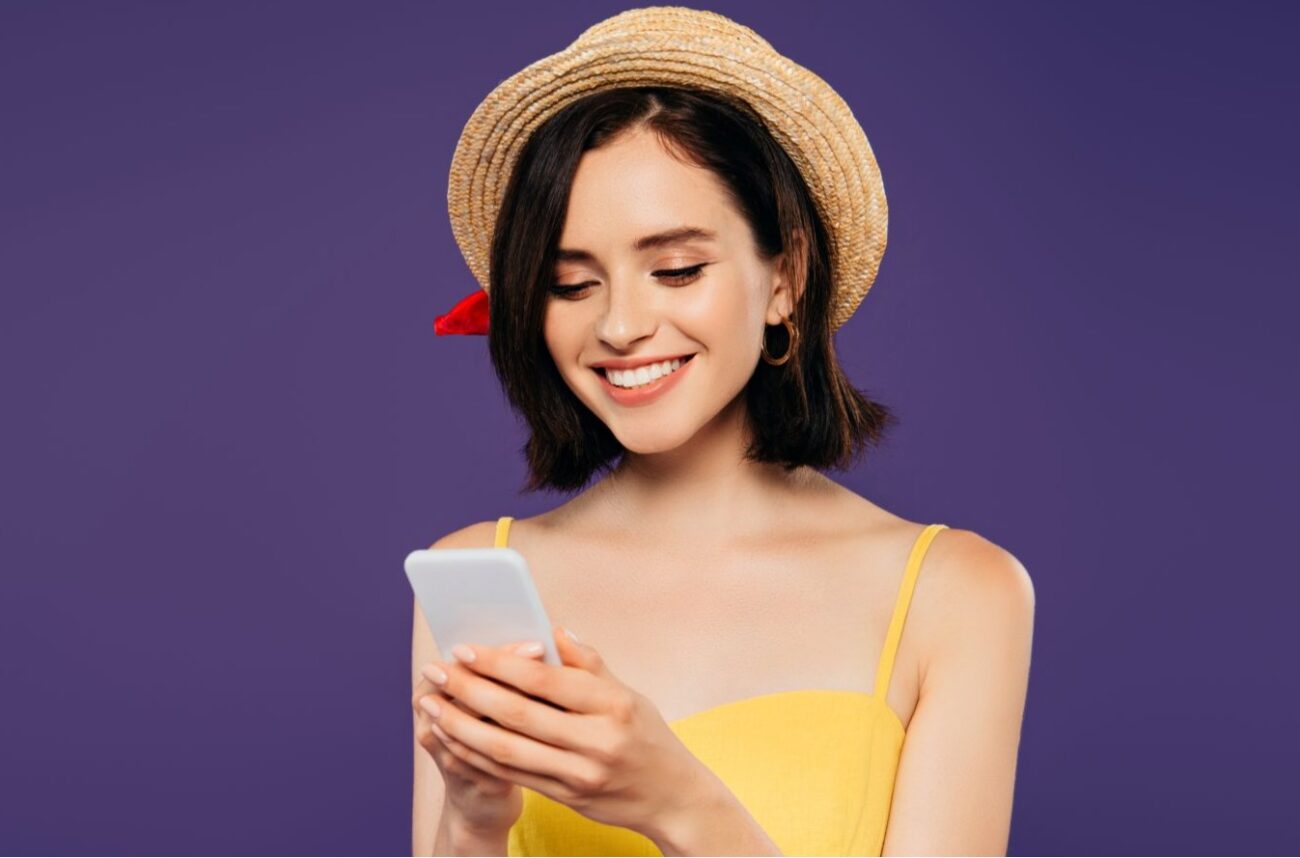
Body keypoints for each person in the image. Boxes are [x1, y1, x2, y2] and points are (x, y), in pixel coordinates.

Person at [412, 8, 1034, 856]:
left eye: (677, 269)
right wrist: (477, 819)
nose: (621, 326)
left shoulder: (959, 594)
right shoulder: (474, 578)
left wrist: (681, 806)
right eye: (570, 284)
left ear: (786, 277)